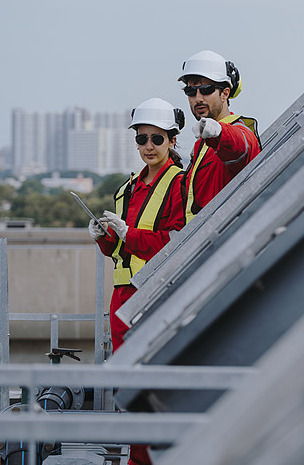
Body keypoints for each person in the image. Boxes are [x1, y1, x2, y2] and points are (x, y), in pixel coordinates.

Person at [87, 98, 185, 465]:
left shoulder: (179, 184)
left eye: (156, 139)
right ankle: (137, 455)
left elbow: (177, 241)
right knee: (126, 383)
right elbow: (117, 251)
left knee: (150, 383)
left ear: (172, 141)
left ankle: (145, 459)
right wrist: (104, 237)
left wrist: (128, 235)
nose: (147, 146)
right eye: (141, 139)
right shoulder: (127, 188)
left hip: (153, 294)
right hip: (122, 299)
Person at [177, 50, 261, 223]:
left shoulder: (237, 131)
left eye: (206, 89)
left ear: (225, 93)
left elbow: (242, 147)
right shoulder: (202, 143)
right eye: (191, 91)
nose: (198, 98)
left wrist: (220, 132)